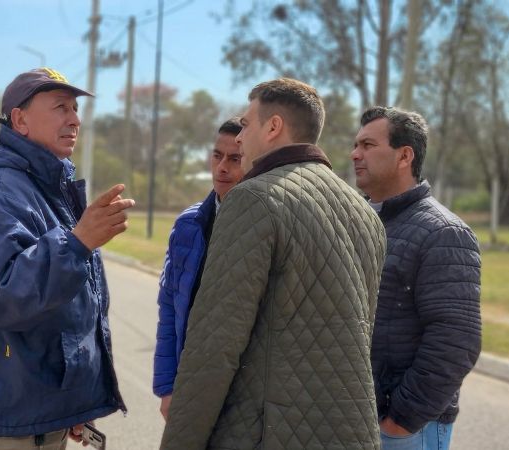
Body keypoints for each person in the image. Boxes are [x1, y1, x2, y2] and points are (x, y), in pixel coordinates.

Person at [161, 78, 387, 449]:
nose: (238, 139)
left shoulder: (254, 198)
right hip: (351, 434)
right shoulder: (363, 211)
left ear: (273, 127)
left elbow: (214, 345)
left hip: (267, 432)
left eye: (246, 125)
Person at [0, 67, 135, 450]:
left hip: (30, 412)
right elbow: (1, 297)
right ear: (20, 120)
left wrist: (71, 402)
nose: (74, 119)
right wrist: (76, 244)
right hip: (4, 421)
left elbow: (63, 313)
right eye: (60, 107)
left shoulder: (37, 184)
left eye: (75, 108)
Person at [351, 106, 481, 450]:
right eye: (356, 145)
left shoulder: (444, 232)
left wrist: (399, 422)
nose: (355, 154)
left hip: (405, 430)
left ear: (404, 155)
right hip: (357, 416)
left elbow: (457, 340)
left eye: (367, 145)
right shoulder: (362, 222)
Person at [152, 118, 244, 420]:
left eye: (235, 159)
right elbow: (169, 306)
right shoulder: (188, 225)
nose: (222, 167)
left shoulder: (267, 226)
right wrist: (167, 387)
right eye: (217, 156)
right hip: (189, 383)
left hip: (243, 396)